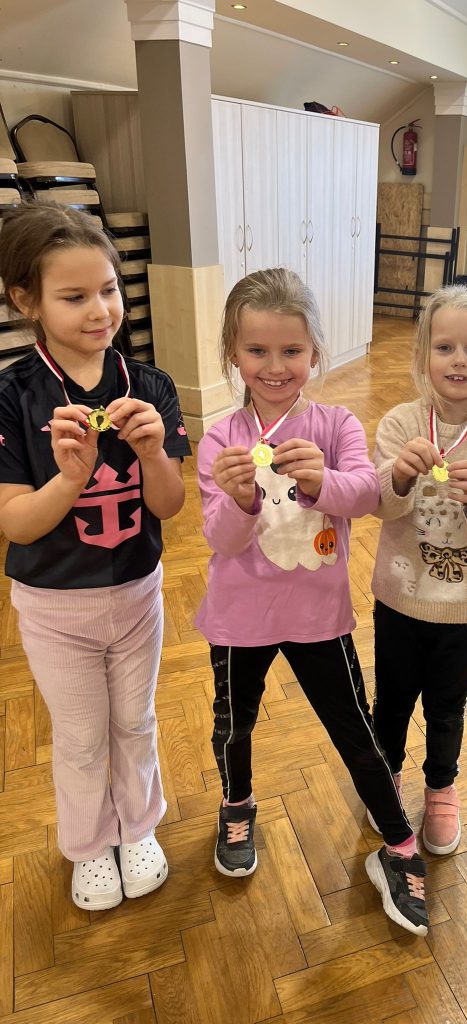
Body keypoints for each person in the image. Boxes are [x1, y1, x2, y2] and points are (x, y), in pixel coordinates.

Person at [195, 267, 429, 936]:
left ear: (315, 352)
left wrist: (320, 478)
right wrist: (241, 498)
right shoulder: (221, 439)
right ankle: (236, 805)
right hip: (239, 618)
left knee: (355, 729)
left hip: (318, 618)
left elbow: (367, 495)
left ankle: (399, 843)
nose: (274, 367)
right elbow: (219, 538)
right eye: (257, 351)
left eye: (291, 351)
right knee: (234, 724)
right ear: (233, 353)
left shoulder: (335, 423)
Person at [0, 202, 190, 909]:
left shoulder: (152, 386)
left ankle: (139, 827)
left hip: (136, 594)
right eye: (74, 296)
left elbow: (169, 505)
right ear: (27, 301)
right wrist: (70, 479)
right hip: (54, 608)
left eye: (108, 289)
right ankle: (88, 846)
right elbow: (17, 524)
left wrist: (153, 455)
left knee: (135, 721)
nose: (99, 310)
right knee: (80, 738)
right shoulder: (12, 396)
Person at [369, 285, 467, 855]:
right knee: (391, 701)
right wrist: (399, 475)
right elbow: (378, 502)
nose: (458, 360)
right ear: (424, 356)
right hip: (399, 597)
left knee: (446, 707)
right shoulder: (400, 422)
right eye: (444, 347)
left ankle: (441, 788)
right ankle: (385, 774)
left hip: (465, 606)